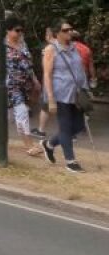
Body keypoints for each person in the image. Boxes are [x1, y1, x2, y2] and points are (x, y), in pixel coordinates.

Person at [41, 20, 90, 173]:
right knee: (66, 127)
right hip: (59, 94)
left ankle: (49, 144)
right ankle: (70, 161)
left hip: (75, 93)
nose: (70, 32)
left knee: (79, 126)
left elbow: (80, 70)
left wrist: (86, 88)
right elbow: (47, 75)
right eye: (66, 30)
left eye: (70, 29)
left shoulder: (74, 48)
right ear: (58, 33)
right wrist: (50, 99)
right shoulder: (51, 50)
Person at [0, 16, 43, 157]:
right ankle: (29, 145)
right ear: (8, 30)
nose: (20, 33)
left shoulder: (23, 43)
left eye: (22, 30)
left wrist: (35, 80)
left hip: (26, 85)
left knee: (15, 114)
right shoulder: (1, 46)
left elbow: (28, 64)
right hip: (12, 85)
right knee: (21, 112)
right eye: (17, 30)